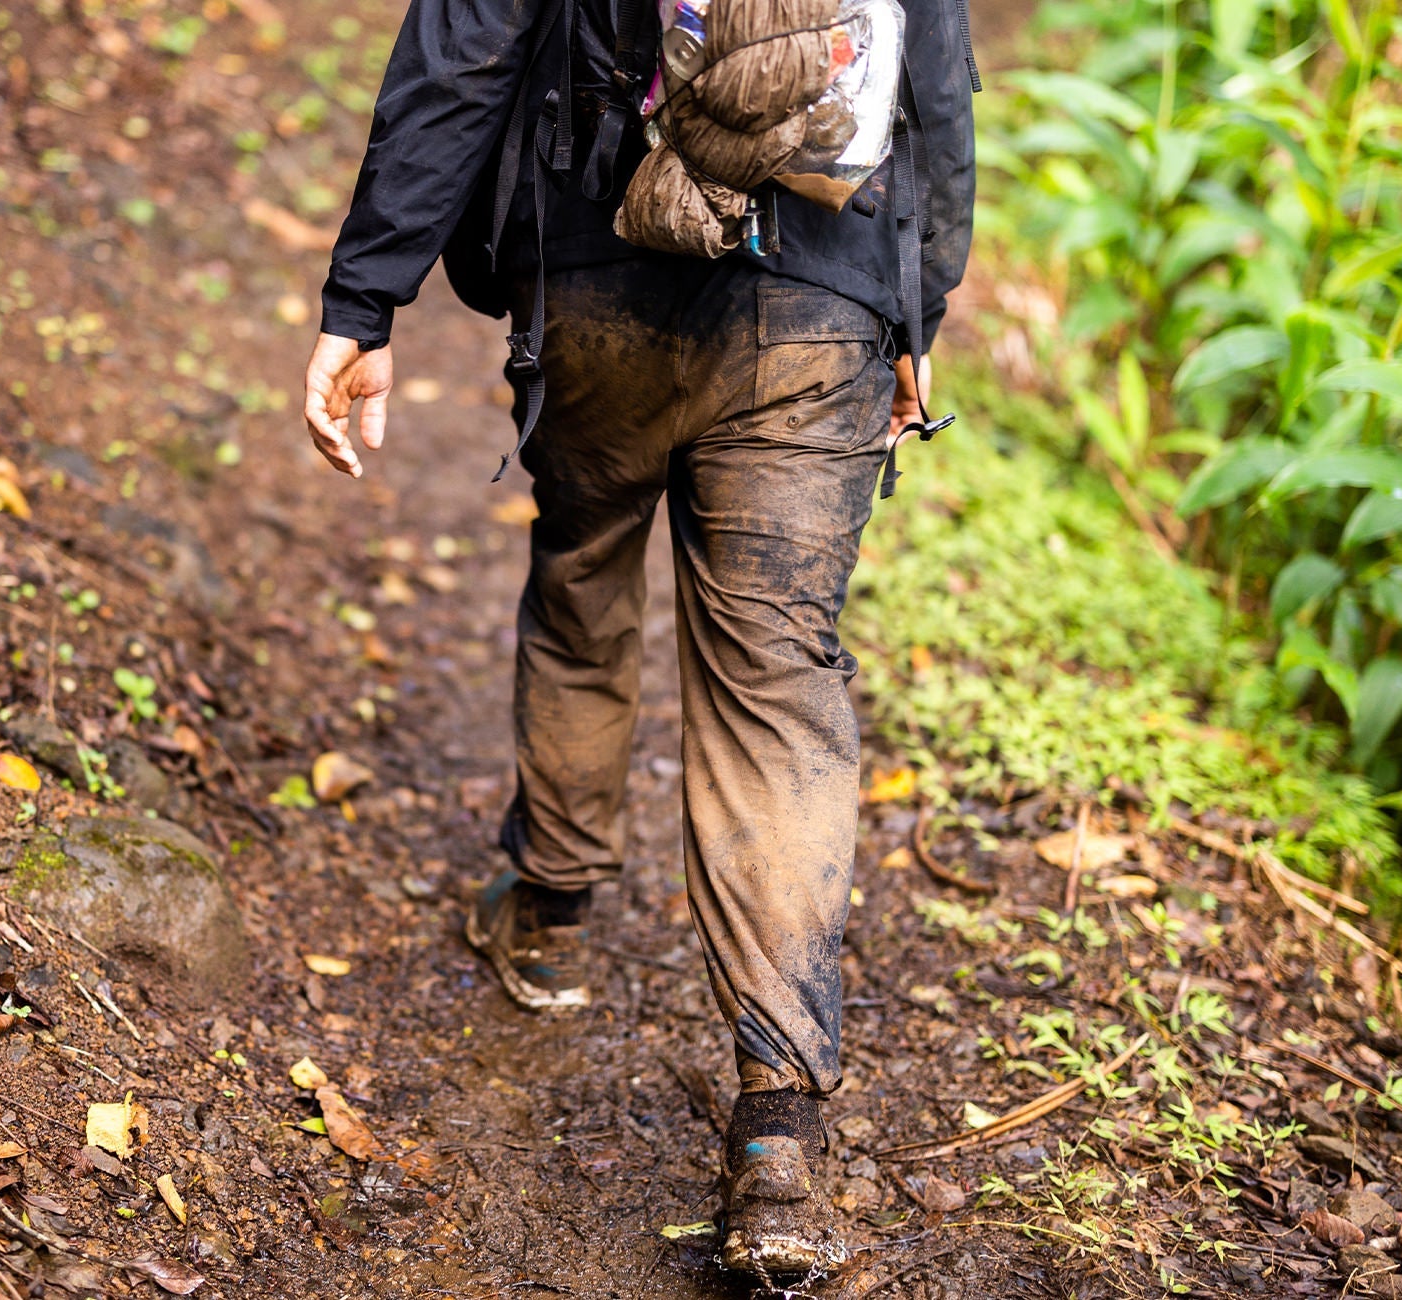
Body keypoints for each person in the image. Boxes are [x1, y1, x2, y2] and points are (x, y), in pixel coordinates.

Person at [302, 0, 975, 1275]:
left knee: (582, 574)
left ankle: (548, 906)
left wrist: (363, 298)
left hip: (597, 266)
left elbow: (463, 56)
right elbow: (931, 86)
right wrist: (914, 310)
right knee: (776, 677)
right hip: (819, 303)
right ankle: (776, 1138)